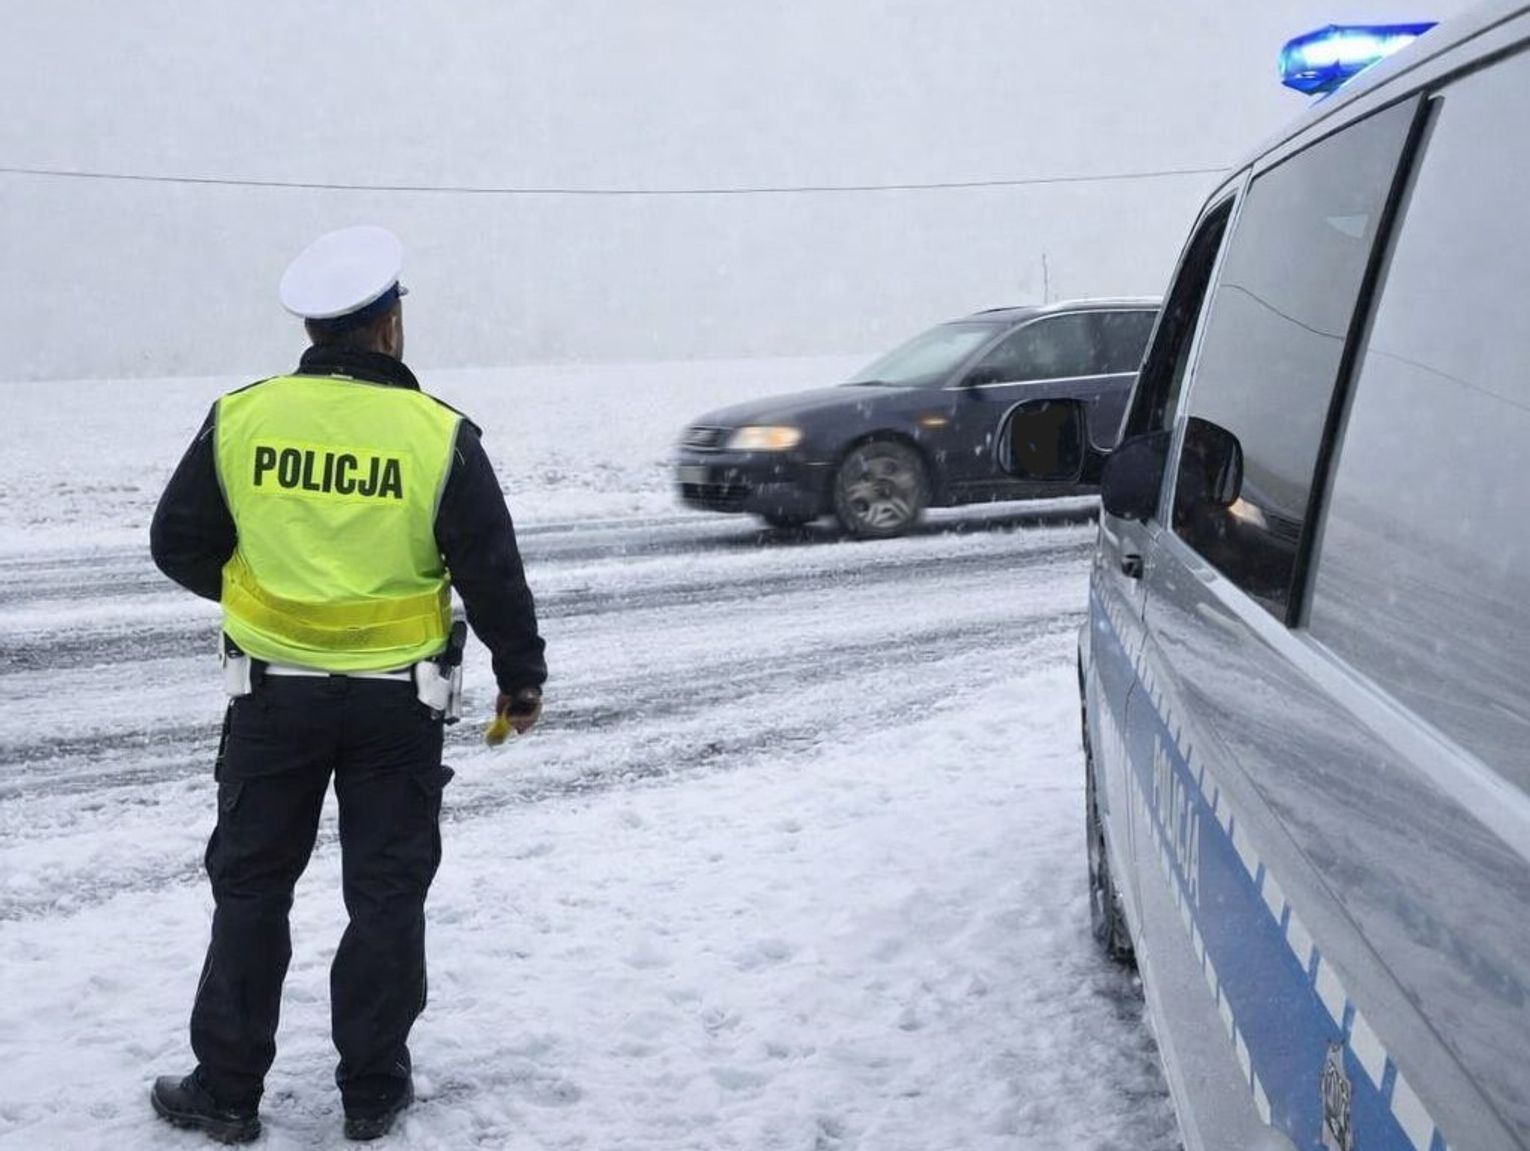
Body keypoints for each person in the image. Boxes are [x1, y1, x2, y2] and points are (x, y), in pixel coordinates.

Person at [147, 225, 547, 1143]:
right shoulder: (437, 432)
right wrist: (520, 676)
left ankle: (228, 1088)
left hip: (271, 699)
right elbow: (491, 569)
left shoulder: (242, 416)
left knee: (252, 890)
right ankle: (372, 1088)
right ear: (389, 328)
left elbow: (177, 543)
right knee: (386, 894)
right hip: (397, 708)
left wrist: (257, 589)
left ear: (319, 329)